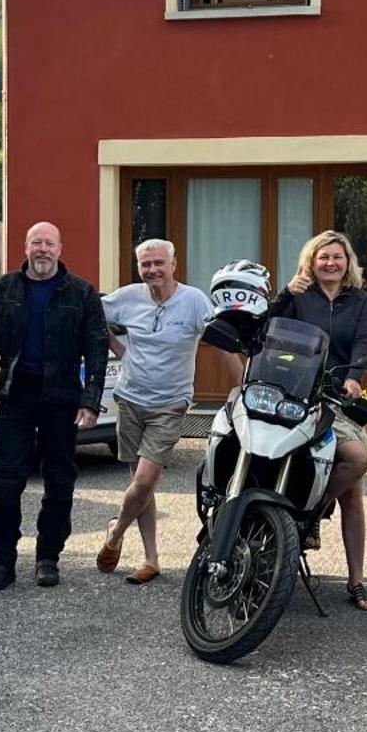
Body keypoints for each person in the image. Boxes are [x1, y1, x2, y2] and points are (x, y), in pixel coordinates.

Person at [0, 221, 108, 592]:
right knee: (6, 482)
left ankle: (48, 558)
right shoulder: (3, 288)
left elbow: (96, 350)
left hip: (62, 398)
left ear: (60, 248)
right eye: (36, 243)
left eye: (49, 242)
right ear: (25, 247)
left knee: (60, 482)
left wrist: (90, 400)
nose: (42, 249)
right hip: (15, 396)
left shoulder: (81, 292)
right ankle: (2, 563)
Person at [268, 230, 367, 611]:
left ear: (348, 262)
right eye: (322, 257)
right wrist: (285, 294)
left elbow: (363, 344)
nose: (330, 263)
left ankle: (355, 578)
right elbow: (270, 330)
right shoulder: (299, 295)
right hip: (297, 393)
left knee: (355, 473)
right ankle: (296, 521)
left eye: (337, 256)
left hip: (338, 397)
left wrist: (355, 377)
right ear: (310, 262)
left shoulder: (360, 299)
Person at [94, 239, 212, 586]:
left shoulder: (193, 301)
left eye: (158, 263)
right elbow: (92, 314)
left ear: (174, 265)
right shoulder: (128, 296)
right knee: (138, 484)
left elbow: (219, 341)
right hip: (129, 399)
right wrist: (117, 347)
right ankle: (151, 559)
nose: (152, 270)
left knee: (145, 480)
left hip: (170, 403)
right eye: (145, 265)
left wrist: (241, 386)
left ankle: (116, 532)